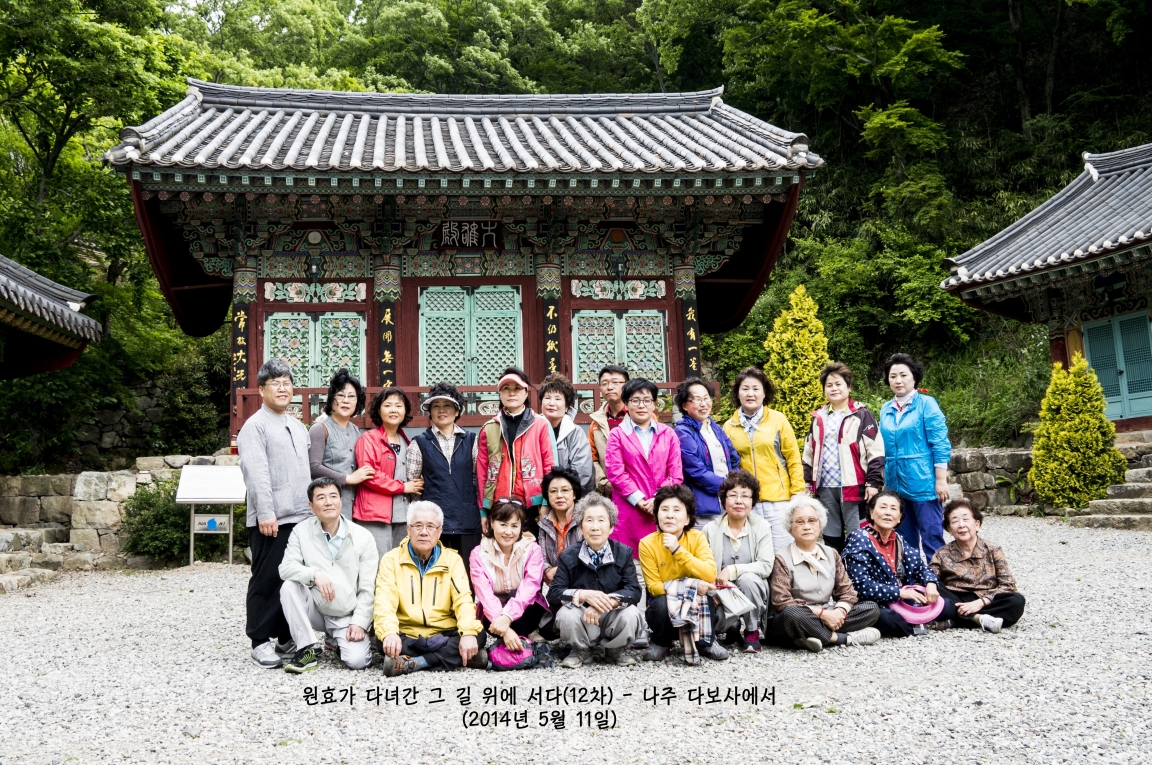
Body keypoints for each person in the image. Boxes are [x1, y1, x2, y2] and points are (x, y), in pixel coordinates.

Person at [238, 359, 313, 669]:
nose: (283, 388)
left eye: (287, 383)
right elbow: (255, 473)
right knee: (267, 579)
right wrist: (265, 513)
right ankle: (259, 641)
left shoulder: (296, 425)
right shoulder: (254, 426)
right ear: (261, 389)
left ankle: (284, 637)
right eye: (275, 383)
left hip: (300, 516)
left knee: (292, 580)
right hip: (272, 518)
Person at [374, 501, 488, 675]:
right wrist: (389, 633)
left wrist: (467, 633)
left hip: (444, 632)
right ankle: (463, 656)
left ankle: (415, 662)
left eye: (430, 526)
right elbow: (384, 601)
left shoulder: (452, 560)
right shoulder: (391, 560)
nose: (424, 532)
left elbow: (463, 600)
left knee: (478, 635)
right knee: (382, 639)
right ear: (408, 529)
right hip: (408, 633)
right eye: (418, 526)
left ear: (440, 531)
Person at [277, 477, 377, 672]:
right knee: (289, 587)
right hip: (316, 608)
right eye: (321, 498)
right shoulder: (301, 531)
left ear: (341, 500)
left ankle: (335, 641)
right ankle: (307, 648)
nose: (328, 502)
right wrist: (314, 573)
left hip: (346, 613)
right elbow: (285, 568)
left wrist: (359, 622)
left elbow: (368, 587)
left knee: (358, 661)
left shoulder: (363, 537)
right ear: (311, 506)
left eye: (333, 496)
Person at [765, 495, 881, 652]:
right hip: (794, 618)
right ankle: (841, 638)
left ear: (820, 525)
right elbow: (782, 602)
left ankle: (808, 637)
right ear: (790, 528)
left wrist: (838, 612)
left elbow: (847, 592)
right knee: (792, 614)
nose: (807, 526)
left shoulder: (831, 553)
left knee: (871, 608)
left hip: (827, 614)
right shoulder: (781, 557)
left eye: (812, 520)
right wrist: (822, 614)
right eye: (799, 522)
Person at [546, 493, 645, 668]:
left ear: (611, 527)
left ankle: (615, 650)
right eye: (589, 520)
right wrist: (583, 595)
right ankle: (580, 650)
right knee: (566, 614)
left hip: (611, 616)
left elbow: (634, 591)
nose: (595, 527)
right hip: (583, 618)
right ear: (581, 527)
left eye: (601, 520)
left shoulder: (623, 553)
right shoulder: (568, 556)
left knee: (631, 613)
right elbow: (554, 594)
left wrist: (605, 603)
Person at [604, 377, 683, 593]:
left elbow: (675, 474)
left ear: (655, 404)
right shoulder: (617, 435)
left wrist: (657, 500)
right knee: (633, 572)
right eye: (635, 400)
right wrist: (640, 500)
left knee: (663, 572)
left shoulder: (668, 434)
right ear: (626, 404)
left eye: (647, 400)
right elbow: (615, 472)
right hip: (629, 512)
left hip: (662, 511)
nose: (641, 405)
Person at [843, 490, 956, 638]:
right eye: (883, 507)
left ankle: (917, 623)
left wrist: (930, 584)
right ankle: (925, 623)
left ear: (899, 517)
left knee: (948, 605)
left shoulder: (899, 539)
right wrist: (899, 593)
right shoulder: (859, 539)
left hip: (903, 601)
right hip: (875, 602)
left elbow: (921, 568)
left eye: (893, 509)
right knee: (889, 619)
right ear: (871, 512)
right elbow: (861, 585)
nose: (888, 513)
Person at [802, 362, 885, 552]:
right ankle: (835, 568)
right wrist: (806, 483)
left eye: (838, 384)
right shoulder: (818, 418)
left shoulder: (862, 415)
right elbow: (809, 452)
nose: (834, 388)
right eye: (829, 385)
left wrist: (873, 483)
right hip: (825, 487)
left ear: (848, 387)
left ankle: (858, 569)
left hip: (854, 487)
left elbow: (875, 451)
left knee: (859, 535)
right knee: (831, 535)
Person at [639, 484, 726, 664]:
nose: (669, 515)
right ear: (657, 515)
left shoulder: (697, 537)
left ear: (687, 518)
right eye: (664, 509)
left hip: (695, 605)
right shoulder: (647, 543)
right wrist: (692, 586)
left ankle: (706, 642)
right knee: (660, 602)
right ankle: (661, 642)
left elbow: (710, 574)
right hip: (664, 608)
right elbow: (654, 588)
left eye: (677, 510)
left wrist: (678, 551)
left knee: (705, 595)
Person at [722, 366, 805, 554]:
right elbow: (729, 465)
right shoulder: (729, 426)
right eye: (745, 388)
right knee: (751, 552)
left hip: (779, 500)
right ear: (737, 393)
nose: (750, 394)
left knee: (782, 553)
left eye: (755, 388)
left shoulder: (778, 420)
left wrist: (797, 493)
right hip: (746, 500)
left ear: (764, 393)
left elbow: (793, 458)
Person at [879, 353, 951, 562]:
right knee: (903, 539)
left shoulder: (927, 404)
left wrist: (941, 479)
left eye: (903, 375)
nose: (898, 380)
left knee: (931, 535)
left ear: (914, 377)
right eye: (893, 376)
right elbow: (882, 446)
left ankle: (938, 579)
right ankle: (911, 580)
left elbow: (940, 442)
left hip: (923, 482)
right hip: (895, 484)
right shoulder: (886, 408)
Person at [408, 382, 483, 566]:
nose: (441, 410)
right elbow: (413, 485)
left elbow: (479, 479)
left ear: (457, 411)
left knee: (468, 573)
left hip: (468, 521)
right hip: (434, 524)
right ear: (430, 412)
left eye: (447, 405)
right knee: (436, 573)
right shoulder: (419, 443)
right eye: (436, 406)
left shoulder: (471, 440)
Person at [476, 366, 555, 540]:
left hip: (532, 505)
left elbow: (549, 465)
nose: (511, 393)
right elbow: (482, 473)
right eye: (506, 388)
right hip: (499, 505)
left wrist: (546, 502)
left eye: (517, 388)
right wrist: (483, 511)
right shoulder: (489, 428)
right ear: (500, 393)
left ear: (526, 393)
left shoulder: (540, 425)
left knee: (531, 551)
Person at [701, 470, 774, 653]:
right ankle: (728, 626)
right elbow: (704, 568)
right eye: (733, 495)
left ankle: (751, 630)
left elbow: (766, 565)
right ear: (724, 500)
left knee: (748, 579)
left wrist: (732, 570)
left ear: (752, 501)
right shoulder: (710, 529)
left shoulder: (762, 526)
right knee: (715, 614)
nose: (739, 501)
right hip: (719, 589)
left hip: (751, 587)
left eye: (745, 496)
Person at [930, 498, 1026, 633]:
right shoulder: (941, 553)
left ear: (977, 524)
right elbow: (929, 577)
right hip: (955, 598)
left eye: (965, 519)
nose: (961, 525)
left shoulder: (993, 550)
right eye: (955, 521)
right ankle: (978, 619)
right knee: (931, 587)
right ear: (949, 529)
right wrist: (930, 585)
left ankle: (955, 620)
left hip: (986, 600)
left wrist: (980, 603)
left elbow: (1008, 585)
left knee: (1017, 601)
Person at [469, 501, 550, 653]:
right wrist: (505, 628)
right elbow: (484, 594)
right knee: (491, 604)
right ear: (492, 523)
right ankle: (513, 641)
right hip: (494, 616)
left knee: (515, 593)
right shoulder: (478, 554)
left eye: (514, 526)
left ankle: (514, 642)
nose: (508, 531)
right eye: (503, 524)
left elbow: (530, 587)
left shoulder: (532, 549)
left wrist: (507, 617)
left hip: (527, 611)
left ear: (521, 527)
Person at [353, 387, 423, 558]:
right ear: (379, 410)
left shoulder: (407, 441)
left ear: (405, 410)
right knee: (377, 563)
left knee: (399, 563)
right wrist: (403, 487)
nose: (393, 410)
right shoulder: (369, 438)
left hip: (403, 514)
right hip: (375, 515)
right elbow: (370, 475)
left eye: (398, 406)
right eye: (388, 405)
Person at [674, 377, 741, 527]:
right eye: (697, 399)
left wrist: (734, 483)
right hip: (703, 505)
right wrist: (726, 486)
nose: (703, 403)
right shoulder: (683, 431)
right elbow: (694, 470)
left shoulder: (715, 427)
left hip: (726, 500)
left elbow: (733, 458)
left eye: (706, 398)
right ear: (685, 405)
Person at [308, 368, 375, 519]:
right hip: (328, 508)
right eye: (340, 395)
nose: (346, 400)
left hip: (354, 507)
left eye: (351, 396)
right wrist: (347, 478)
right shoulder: (320, 429)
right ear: (331, 399)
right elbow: (313, 467)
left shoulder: (356, 431)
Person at [539, 373, 595, 495]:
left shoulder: (575, 433)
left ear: (567, 407)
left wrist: (560, 493)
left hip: (569, 497)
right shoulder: (533, 430)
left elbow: (582, 471)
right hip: (537, 498)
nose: (551, 403)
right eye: (547, 398)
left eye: (557, 399)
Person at [538, 466, 585, 585]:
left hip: (584, 584)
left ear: (574, 494)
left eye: (564, 490)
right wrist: (547, 570)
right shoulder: (544, 523)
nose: (559, 495)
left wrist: (562, 572)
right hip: (556, 586)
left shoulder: (585, 519)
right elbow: (541, 556)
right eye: (553, 491)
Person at [588, 364, 630, 496]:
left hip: (638, 488)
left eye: (615, 382)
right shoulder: (596, 423)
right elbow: (592, 458)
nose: (610, 387)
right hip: (608, 491)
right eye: (604, 383)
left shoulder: (641, 416)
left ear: (627, 385)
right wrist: (603, 482)